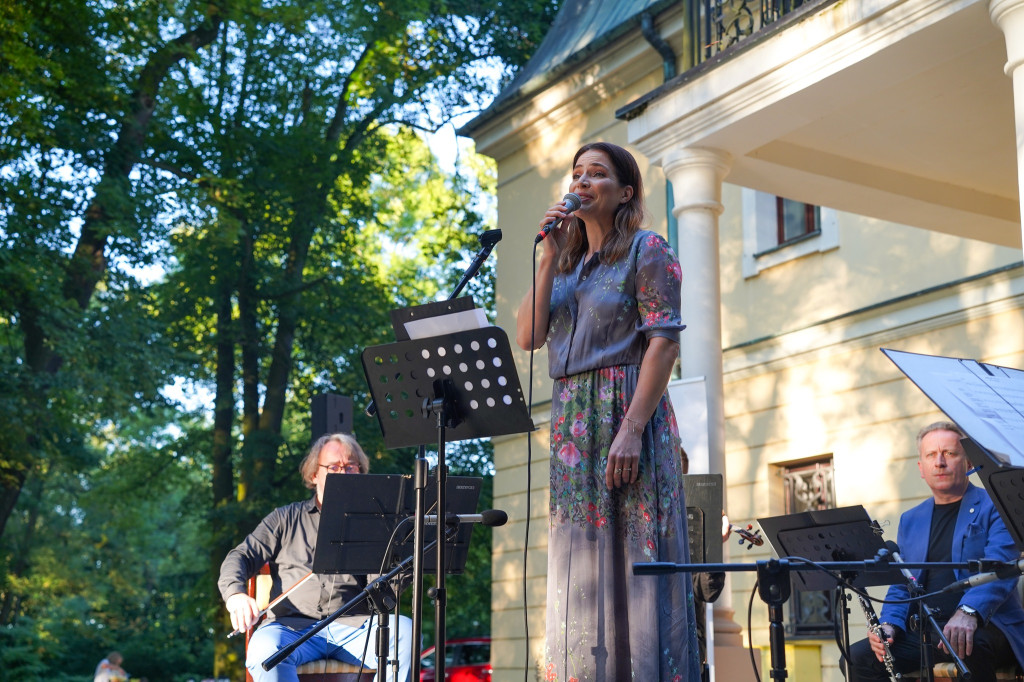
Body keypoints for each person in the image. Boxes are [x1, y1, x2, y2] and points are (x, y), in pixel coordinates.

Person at [516, 141, 701, 680]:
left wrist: (632, 430)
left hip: (627, 415)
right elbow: (527, 336)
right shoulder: (566, 265)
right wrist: (549, 257)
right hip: (574, 425)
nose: (583, 182)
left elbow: (664, 343)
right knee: (581, 564)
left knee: (636, 562)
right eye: (577, 173)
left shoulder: (648, 249)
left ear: (624, 193)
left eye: (597, 174)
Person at [218, 433, 412, 682]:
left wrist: (403, 567)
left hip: (357, 626)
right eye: (333, 467)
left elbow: (384, 589)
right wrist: (236, 595)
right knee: (264, 655)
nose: (343, 474)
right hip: (290, 628)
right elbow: (241, 556)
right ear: (314, 474)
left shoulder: (377, 524)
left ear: (361, 474)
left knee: (405, 632)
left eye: (350, 466)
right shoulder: (284, 519)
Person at [846, 421, 1024, 681]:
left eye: (950, 453)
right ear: (921, 467)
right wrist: (889, 625)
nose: (939, 462)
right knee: (856, 659)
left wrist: (969, 612)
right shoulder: (911, 519)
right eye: (931, 455)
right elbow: (902, 581)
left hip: (987, 626)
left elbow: (1000, 568)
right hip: (925, 632)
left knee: (967, 645)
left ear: (970, 462)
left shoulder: (995, 506)